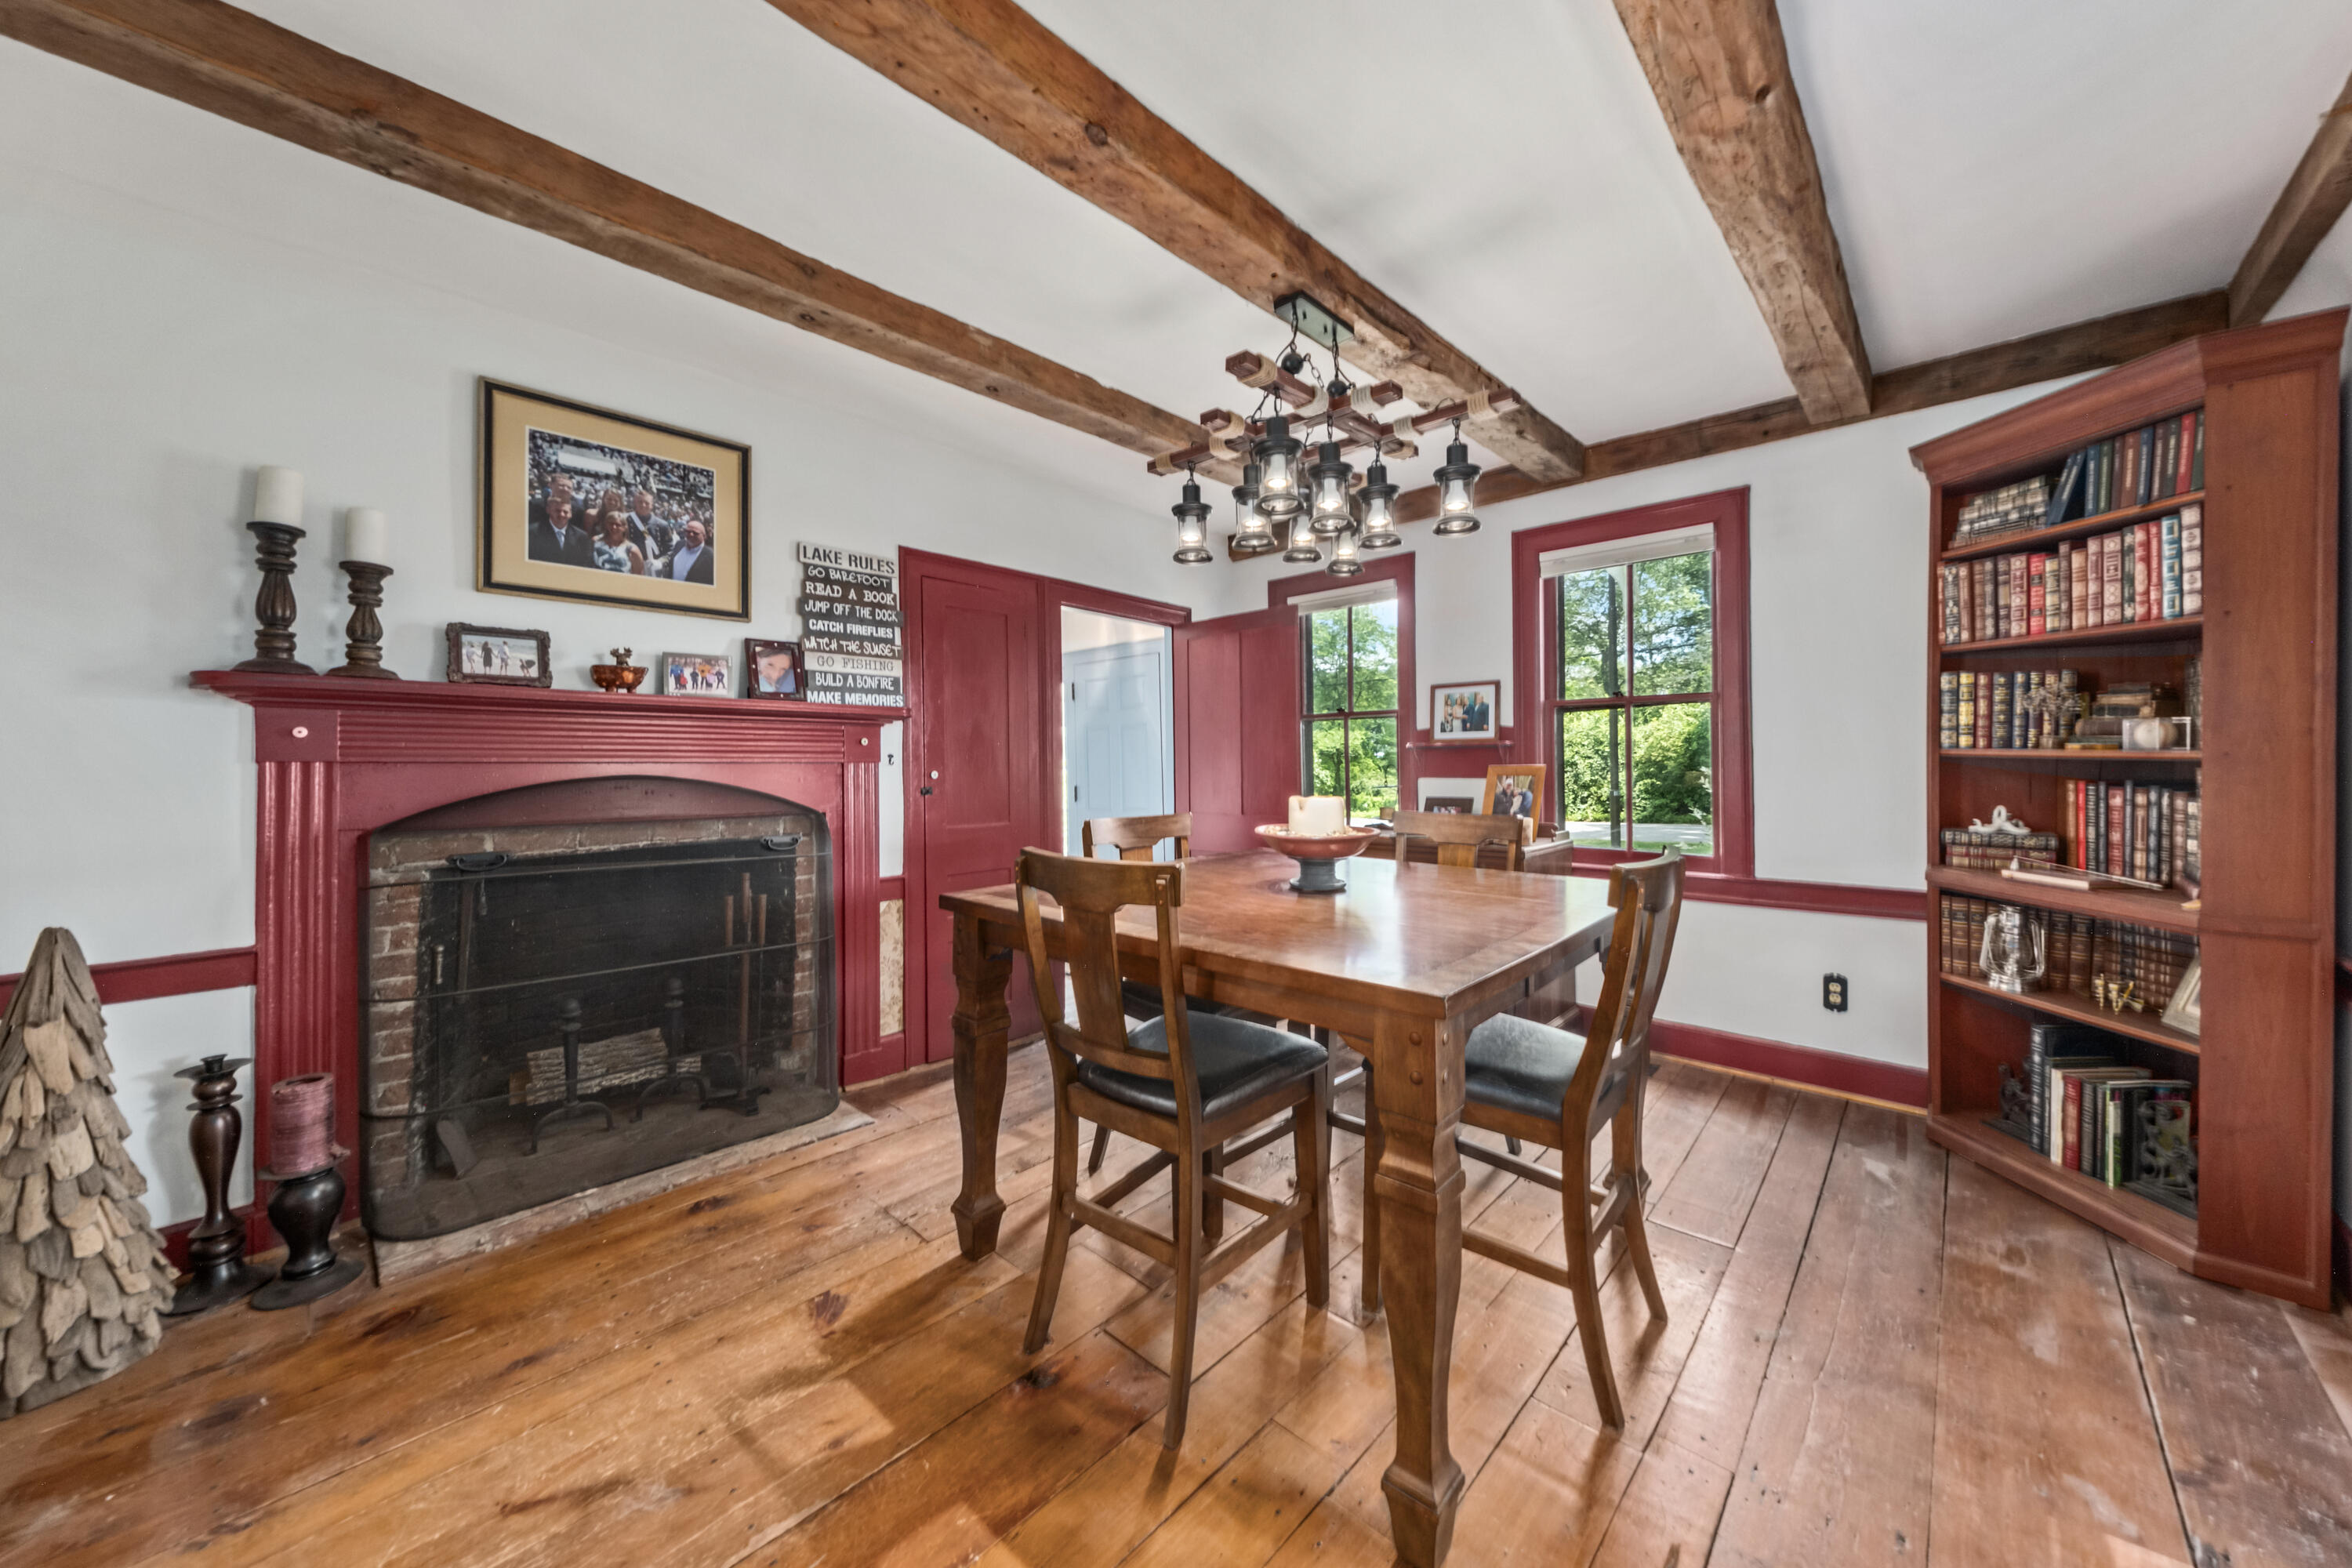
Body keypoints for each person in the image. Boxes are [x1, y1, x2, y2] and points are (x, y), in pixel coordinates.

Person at [528, 475, 593, 568]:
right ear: (551, 485)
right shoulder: (535, 504)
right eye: (562, 485)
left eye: (569, 487)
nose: (565, 489)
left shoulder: (579, 511)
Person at [593, 507, 646, 575]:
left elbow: (638, 577)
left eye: (618, 525)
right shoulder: (596, 542)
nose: (614, 527)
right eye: (611, 524)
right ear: (606, 525)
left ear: (625, 527)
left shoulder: (633, 550)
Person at [666, 518, 714, 584]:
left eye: (695, 533)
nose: (691, 534)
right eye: (688, 531)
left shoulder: (711, 556)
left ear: (704, 536)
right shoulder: (679, 545)